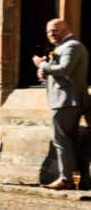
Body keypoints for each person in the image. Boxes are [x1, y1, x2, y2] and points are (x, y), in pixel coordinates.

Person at [32, 19, 89, 190]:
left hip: (67, 100)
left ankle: (66, 179)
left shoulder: (72, 46)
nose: (52, 34)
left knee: (61, 140)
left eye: (56, 30)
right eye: (49, 31)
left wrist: (42, 64)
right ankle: (72, 178)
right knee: (67, 140)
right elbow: (60, 71)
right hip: (65, 99)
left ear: (67, 28)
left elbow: (66, 69)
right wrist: (45, 72)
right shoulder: (63, 47)